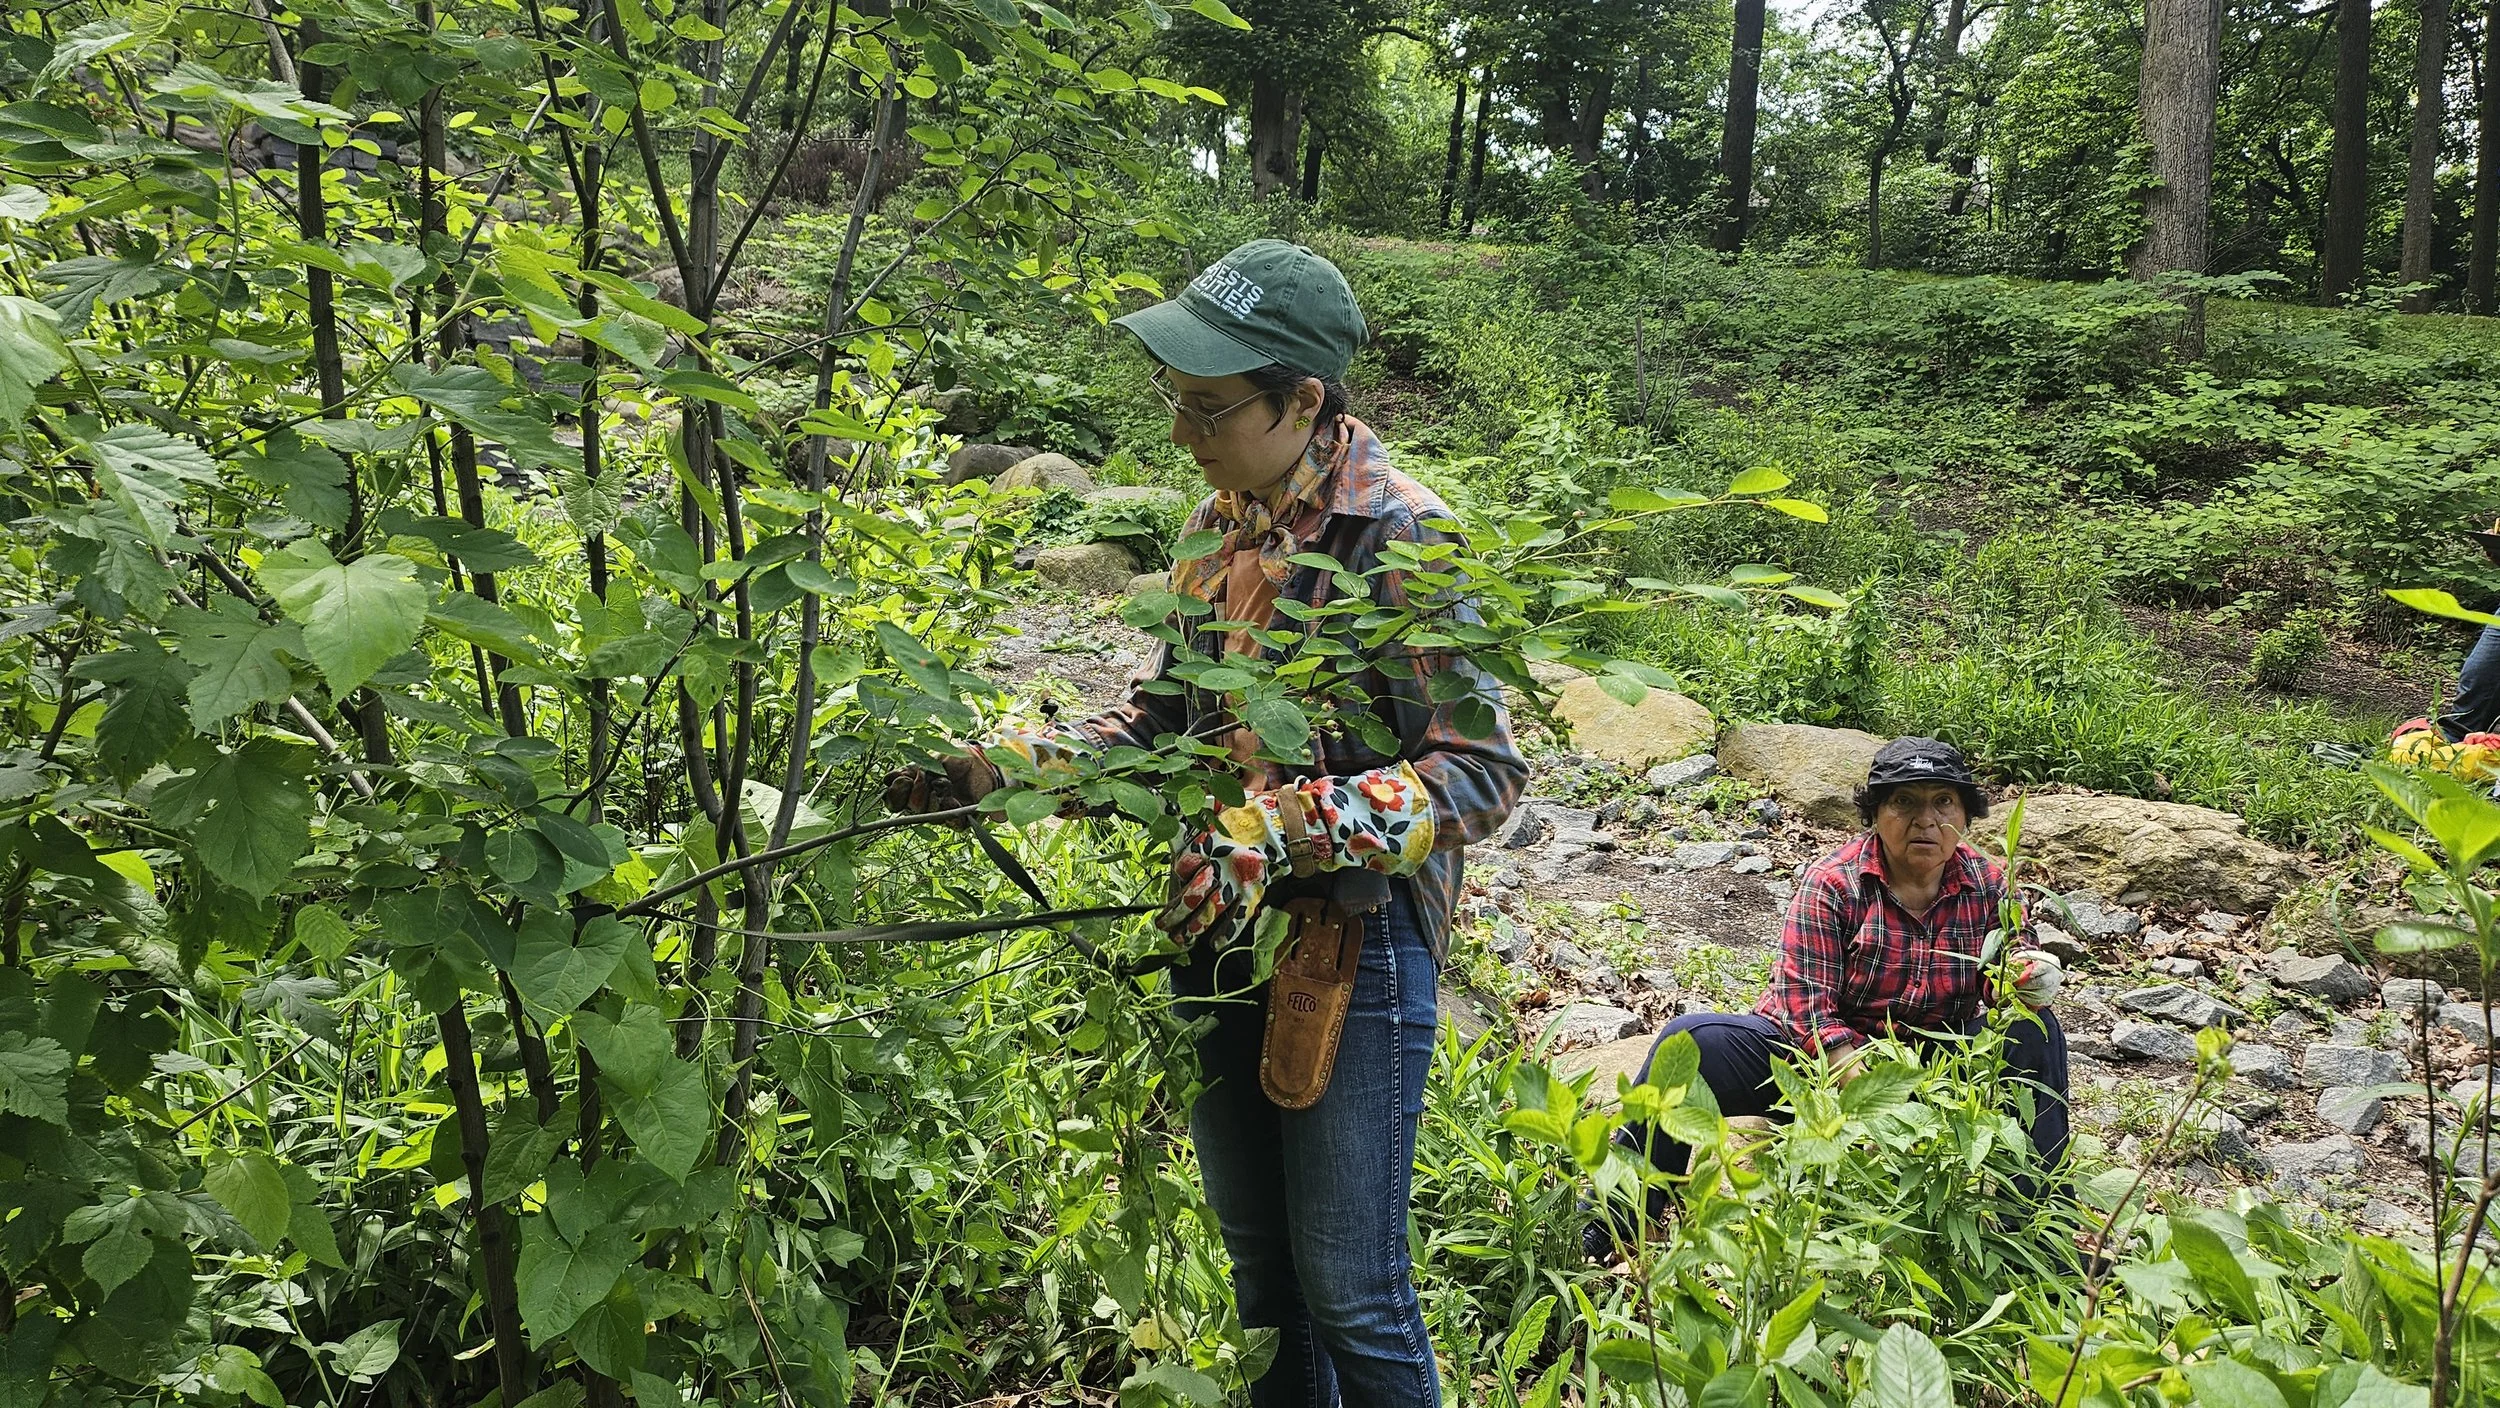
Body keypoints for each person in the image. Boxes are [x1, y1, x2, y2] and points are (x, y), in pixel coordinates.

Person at [889, 240, 1525, 1407]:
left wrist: (1283, 826)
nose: (1183, 431)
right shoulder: (1215, 527)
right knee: (1266, 1283)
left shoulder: (1402, 536)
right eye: (1172, 396)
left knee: (1353, 1291)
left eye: (1211, 406)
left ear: (1303, 400)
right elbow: (1165, 727)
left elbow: (1480, 776)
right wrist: (1007, 771)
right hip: (1218, 925)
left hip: (1351, 939)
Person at [1589, 737, 2068, 1260]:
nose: (1926, 820)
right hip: (1810, 1065)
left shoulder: (1991, 883)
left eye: (1943, 802)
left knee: (2035, 1031)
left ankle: (2039, 1230)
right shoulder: (1834, 882)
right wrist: (1867, 1095)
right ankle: (1616, 1217)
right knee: (1691, 1043)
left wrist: (2026, 978)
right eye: (1904, 802)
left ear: (1965, 815)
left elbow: (2007, 969)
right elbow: (1807, 1004)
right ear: (1875, 814)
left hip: (1930, 1067)